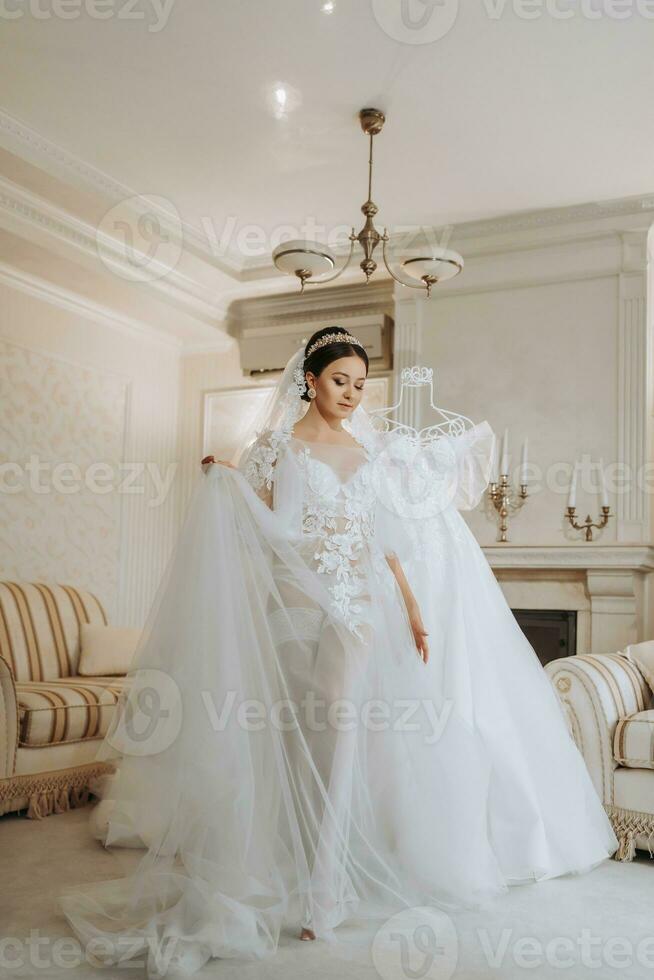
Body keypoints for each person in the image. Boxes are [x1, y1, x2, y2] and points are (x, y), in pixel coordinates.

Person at [57, 326, 618, 978]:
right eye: (339, 381)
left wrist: (410, 605)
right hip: (294, 607)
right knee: (292, 740)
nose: (350, 394)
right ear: (310, 381)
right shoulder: (275, 447)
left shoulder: (366, 452)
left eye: (358, 383)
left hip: (357, 609)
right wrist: (229, 480)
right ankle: (283, 868)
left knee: (339, 732)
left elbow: (381, 538)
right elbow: (260, 525)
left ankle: (322, 884)